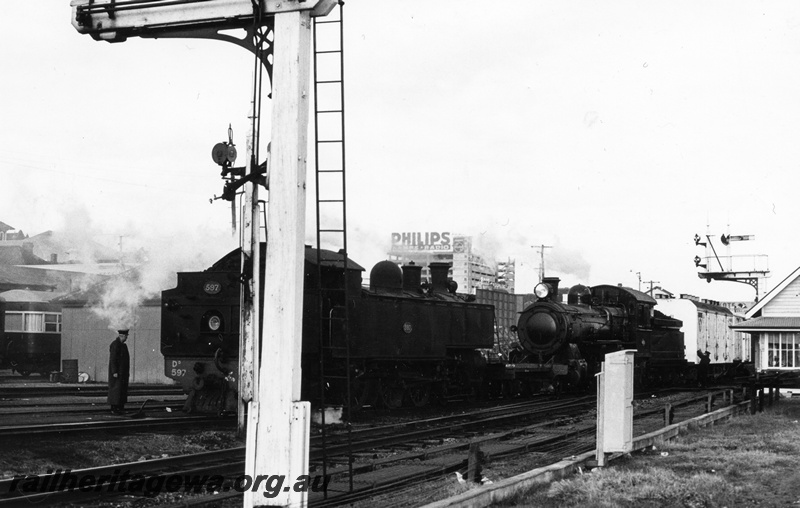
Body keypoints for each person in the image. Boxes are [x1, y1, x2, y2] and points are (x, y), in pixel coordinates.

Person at [108, 329, 130, 415]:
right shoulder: (115, 345)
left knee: (121, 390)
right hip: (117, 373)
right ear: (122, 336)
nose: (126, 338)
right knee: (116, 390)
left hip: (123, 372)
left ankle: (120, 407)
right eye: (126, 336)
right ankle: (114, 408)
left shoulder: (123, 345)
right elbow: (113, 359)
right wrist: (114, 371)